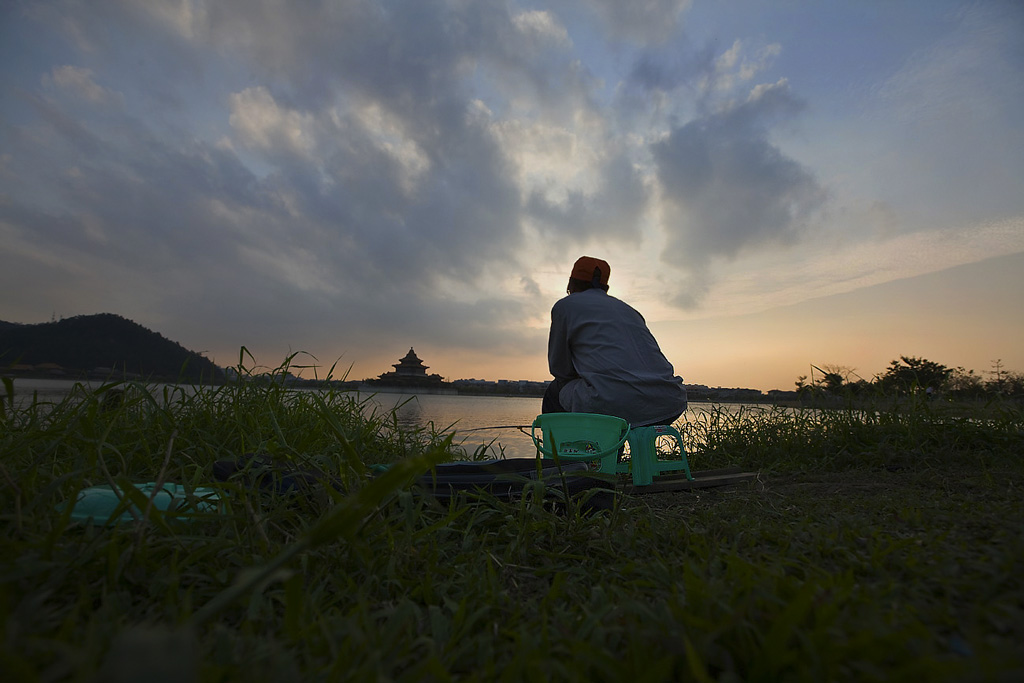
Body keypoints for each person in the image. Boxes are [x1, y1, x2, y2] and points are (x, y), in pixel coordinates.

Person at [543, 256, 687, 427]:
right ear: (606, 287)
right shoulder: (630, 311)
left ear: (571, 284)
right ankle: (632, 452)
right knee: (614, 400)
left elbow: (560, 369)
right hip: (668, 400)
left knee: (555, 391)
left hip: (613, 402)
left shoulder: (565, 306)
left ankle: (563, 453)